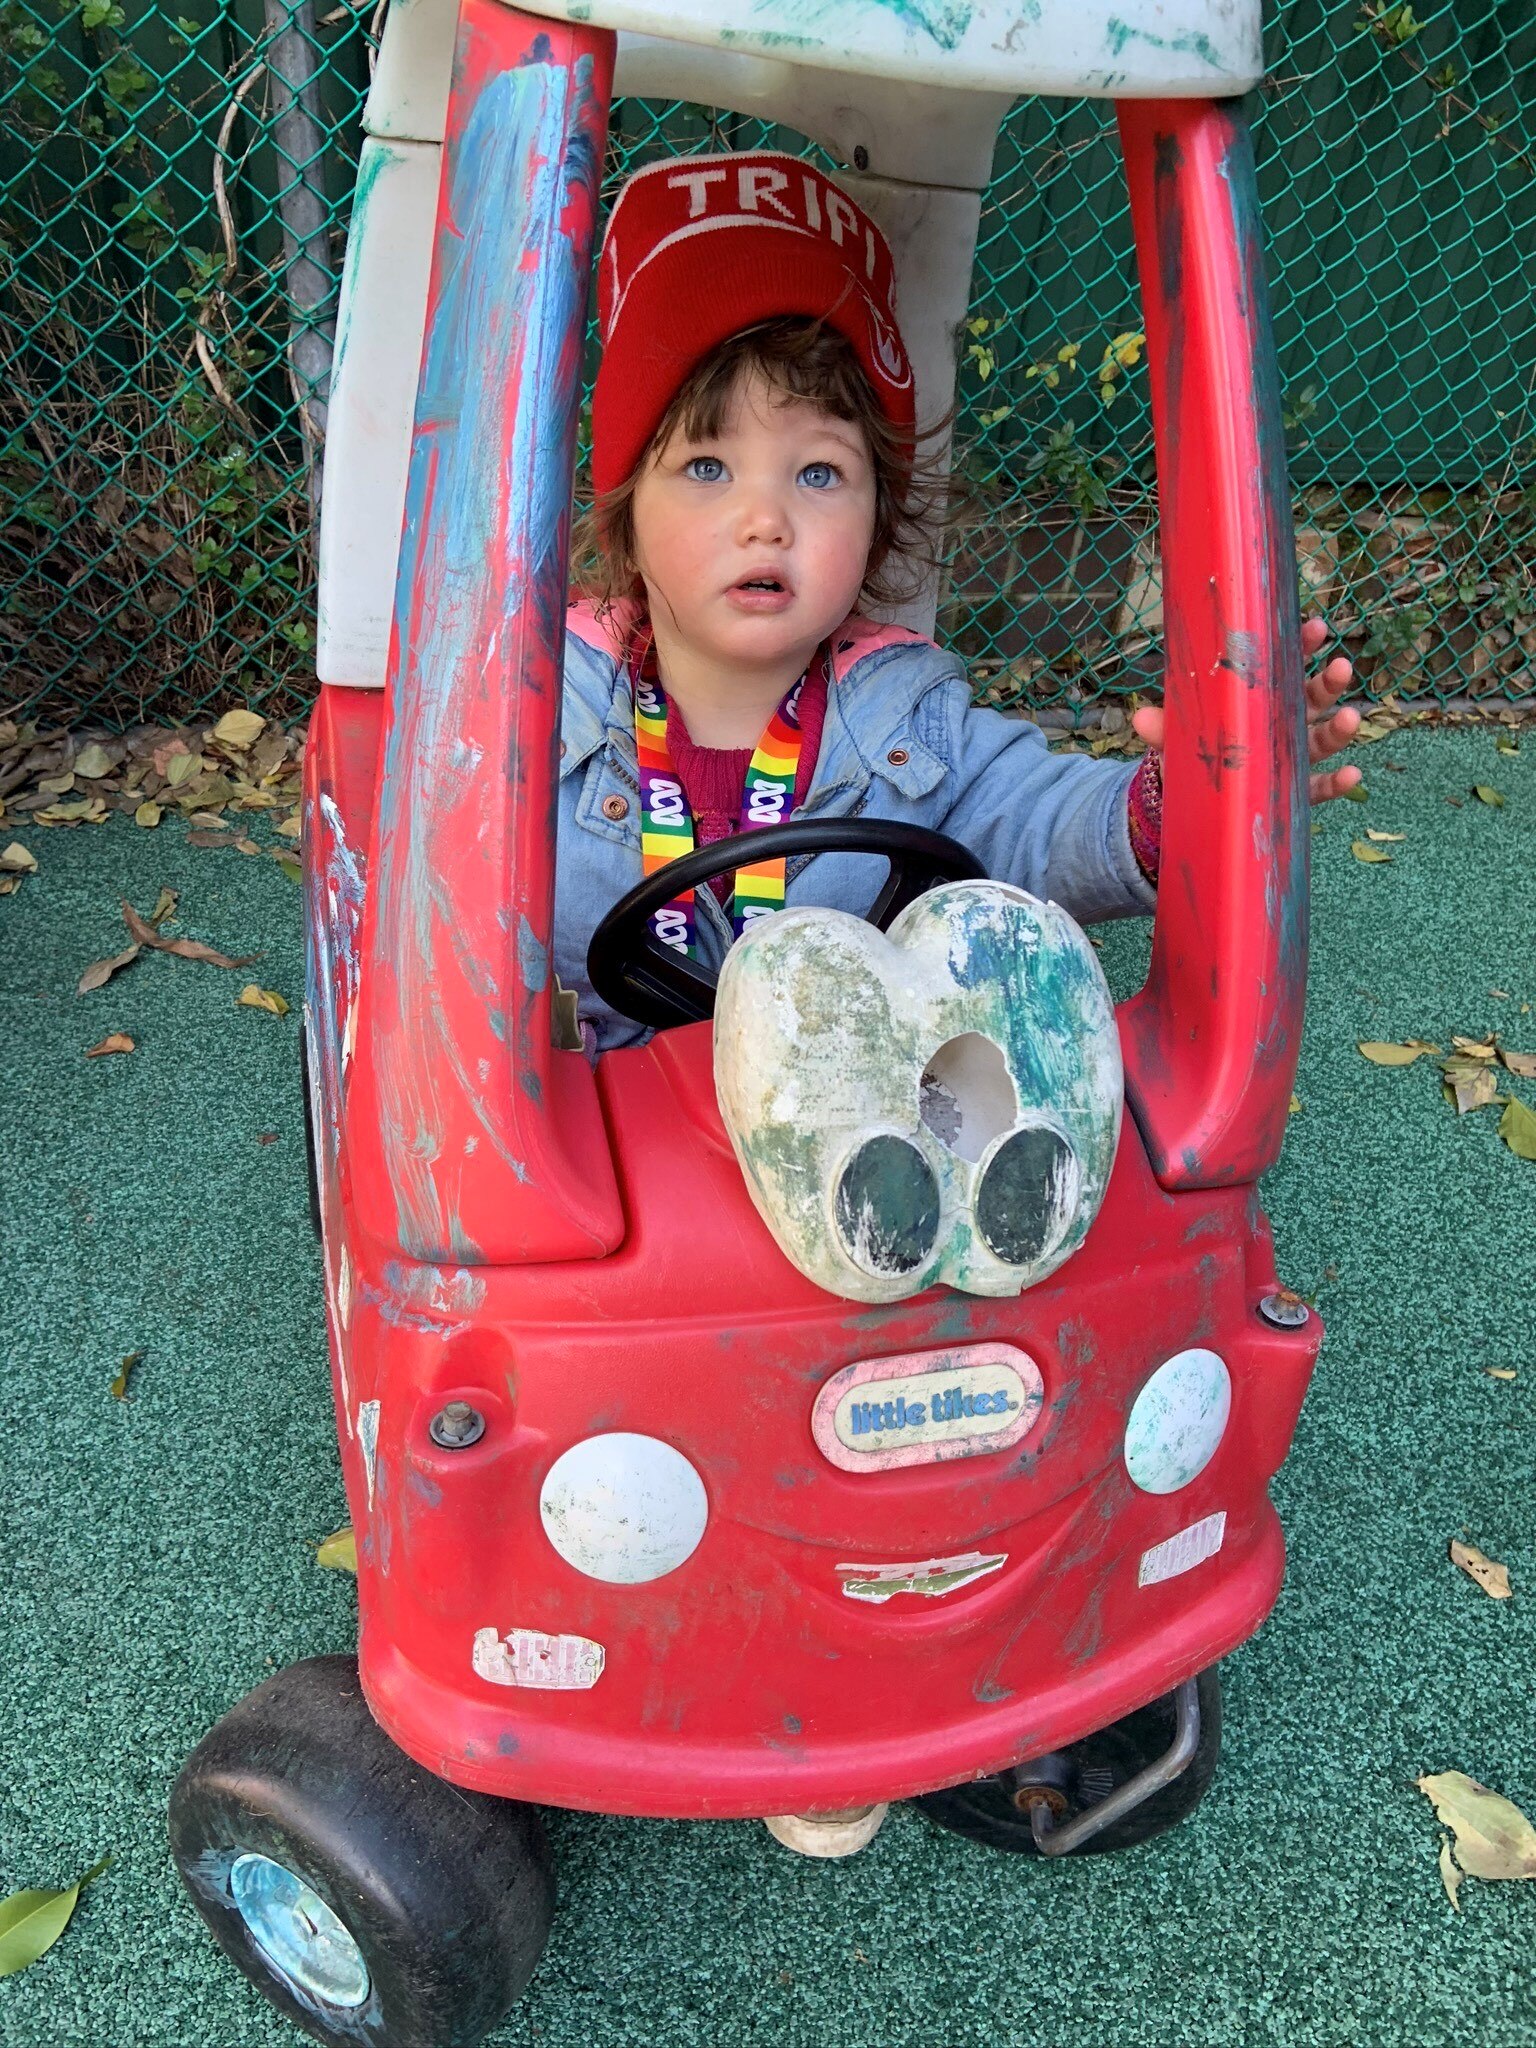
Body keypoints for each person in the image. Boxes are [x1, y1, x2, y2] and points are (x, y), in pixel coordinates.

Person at [554, 151, 1362, 1056]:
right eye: (708, 467)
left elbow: (1040, 821)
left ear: (876, 523)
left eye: (819, 472)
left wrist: (1189, 795)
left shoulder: (910, 723)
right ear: (624, 513)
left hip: (841, 1139)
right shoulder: (536, 717)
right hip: (587, 1149)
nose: (765, 519)